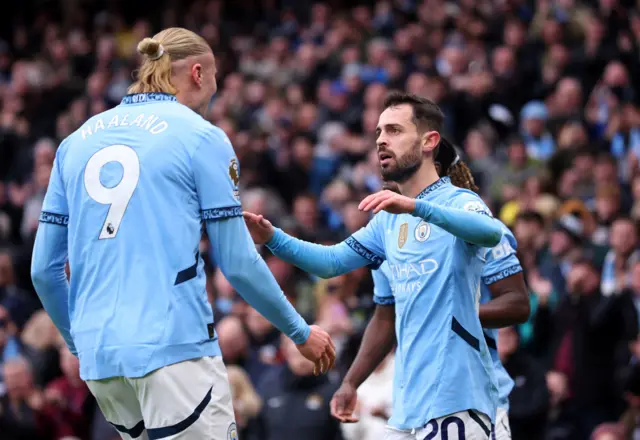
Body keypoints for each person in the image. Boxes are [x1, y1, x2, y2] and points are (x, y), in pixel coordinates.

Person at [30, 27, 335, 439]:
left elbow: (43, 272)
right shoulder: (200, 137)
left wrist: (77, 344)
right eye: (214, 78)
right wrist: (300, 331)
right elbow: (239, 263)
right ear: (196, 73)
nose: (214, 90)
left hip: (101, 360)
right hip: (173, 348)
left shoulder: (73, 143)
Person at [244, 91, 504, 439]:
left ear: (429, 141)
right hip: (411, 401)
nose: (381, 139)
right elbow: (330, 261)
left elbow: (490, 232)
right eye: (379, 132)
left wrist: (416, 207)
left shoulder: (458, 201)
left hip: (459, 396)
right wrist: (272, 237)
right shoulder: (388, 221)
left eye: (394, 130)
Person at [330, 141, 529, 440]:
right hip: (414, 399)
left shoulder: (479, 227)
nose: (386, 172)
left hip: (473, 395)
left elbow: (518, 304)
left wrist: (453, 314)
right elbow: (386, 317)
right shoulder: (387, 235)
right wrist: (351, 382)